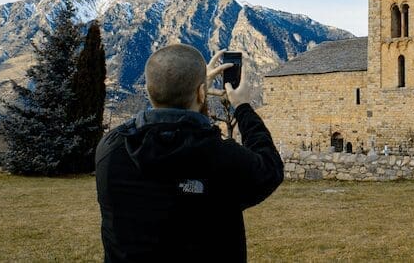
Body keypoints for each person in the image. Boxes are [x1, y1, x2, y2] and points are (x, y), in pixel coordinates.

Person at [95, 45, 284, 262]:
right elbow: (270, 168)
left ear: (148, 89)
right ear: (201, 93)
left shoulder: (110, 150)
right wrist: (242, 106)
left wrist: (194, 93)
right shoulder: (221, 157)